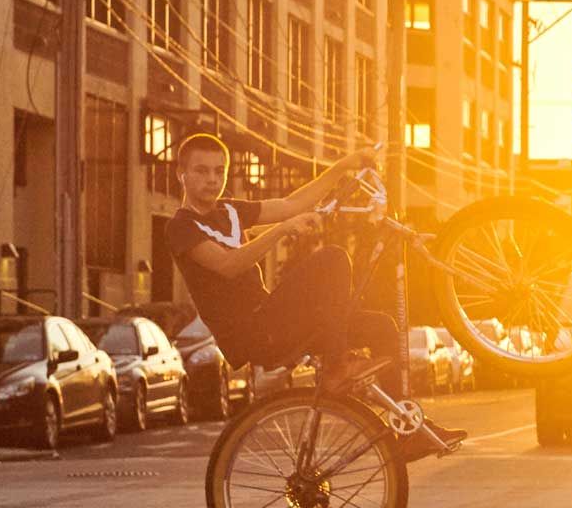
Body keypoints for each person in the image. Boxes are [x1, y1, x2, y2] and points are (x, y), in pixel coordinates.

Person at [167, 133, 417, 405]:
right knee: (333, 259)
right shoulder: (181, 227)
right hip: (253, 334)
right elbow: (229, 265)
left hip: (276, 322)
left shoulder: (230, 211)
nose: (213, 179)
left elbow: (292, 205)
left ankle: (407, 425)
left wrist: (342, 167)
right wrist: (282, 230)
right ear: (182, 174)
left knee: (382, 327)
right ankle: (336, 367)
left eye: (219, 171)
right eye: (202, 171)